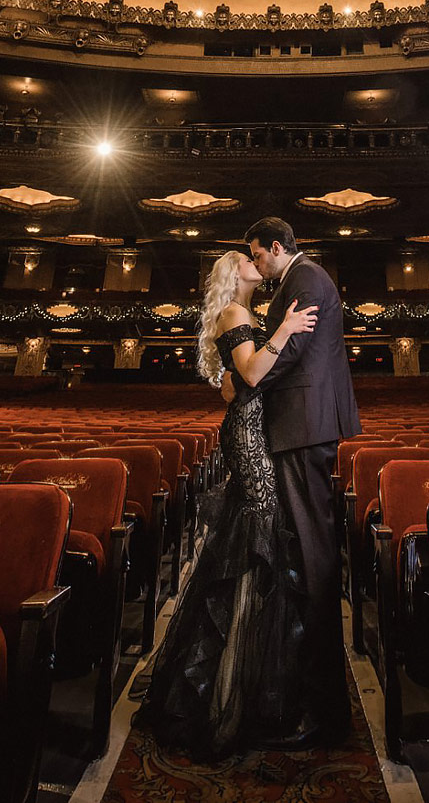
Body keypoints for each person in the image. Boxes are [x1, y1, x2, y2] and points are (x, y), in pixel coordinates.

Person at [136, 249, 317, 759]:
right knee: (254, 540)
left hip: (254, 429)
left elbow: (228, 388)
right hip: (250, 438)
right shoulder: (238, 313)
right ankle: (234, 692)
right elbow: (253, 377)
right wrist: (285, 330)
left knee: (258, 539)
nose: (255, 259)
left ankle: (254, 682)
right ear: (232, 273)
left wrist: (273, 331)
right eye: (246, 257)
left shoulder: (247, 315)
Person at [224, 216, 361, 748]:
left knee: (312, 558)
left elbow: (289, 358)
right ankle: (308, 695)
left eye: (257, 255)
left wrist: (242, 383)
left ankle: (324, 711)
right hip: (301, 429)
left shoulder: (305, 282)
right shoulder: (301, 281)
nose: (256, 264)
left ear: (275, 248)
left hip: (303, 430)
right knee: (302, 558)